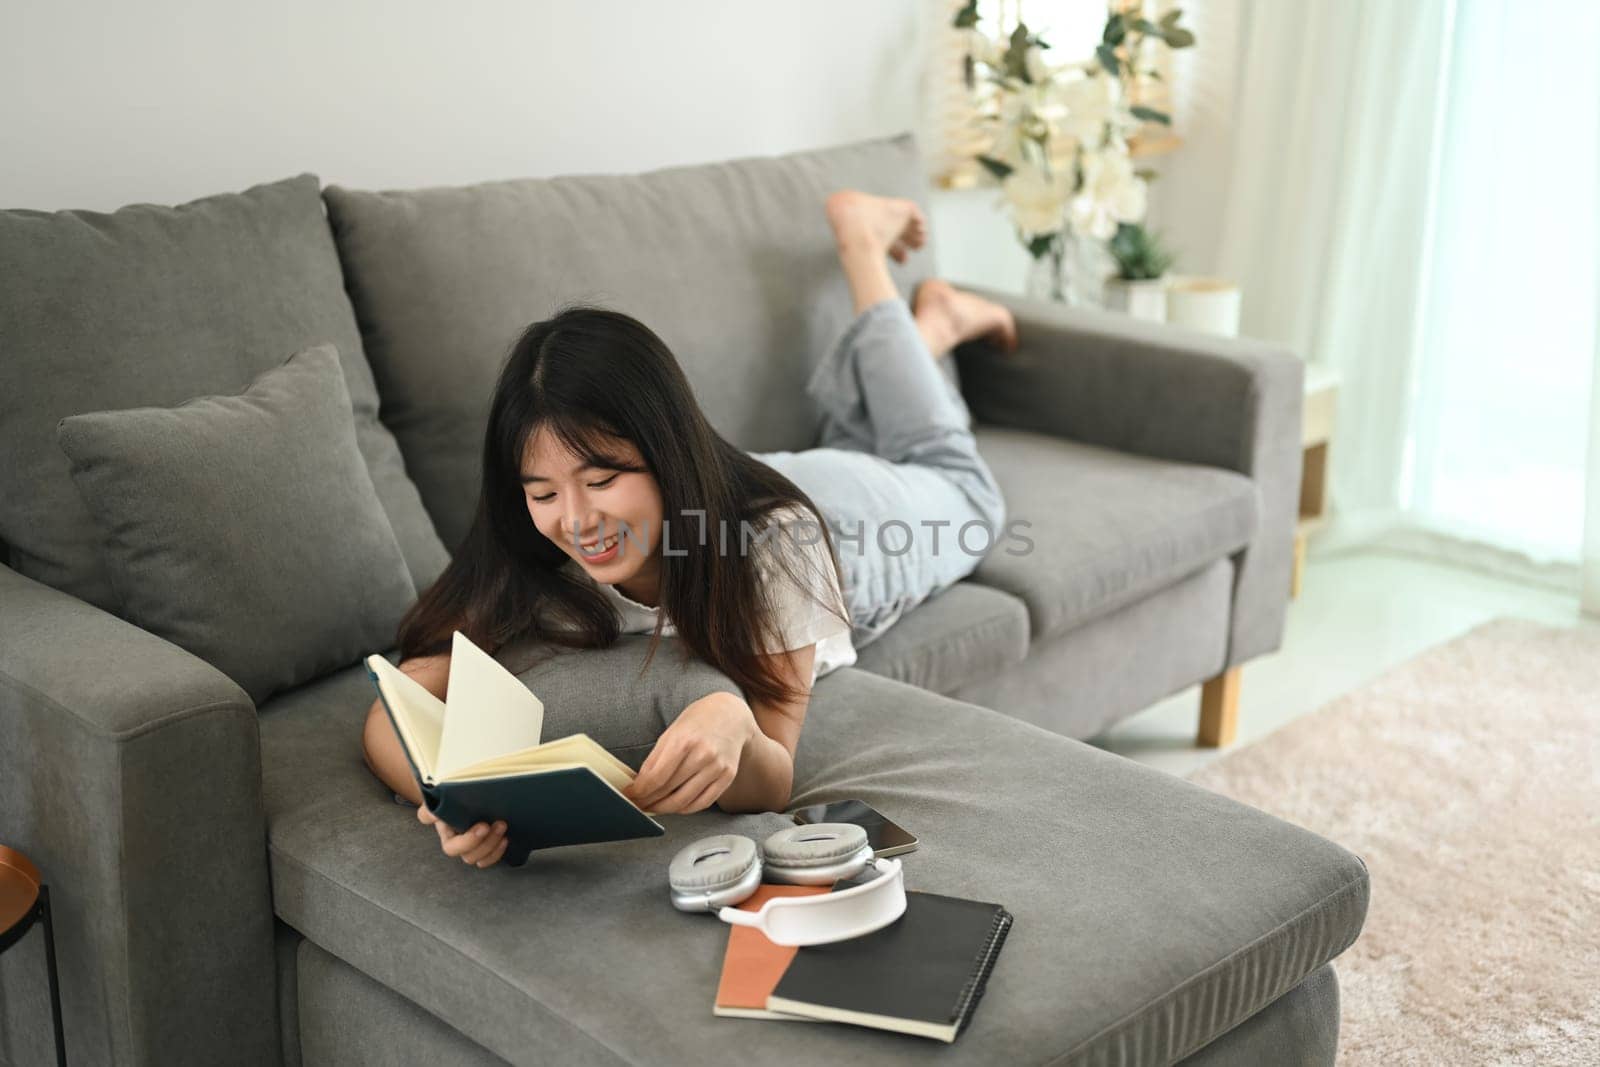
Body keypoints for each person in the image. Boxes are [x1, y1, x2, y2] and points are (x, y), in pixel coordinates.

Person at [361, 189, 1018, 869]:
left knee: (964, 488)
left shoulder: (776, 553)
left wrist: (732, 721)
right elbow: (394, 709)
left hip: (845, 525)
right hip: (739, 481)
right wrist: (452, 800)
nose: (577, 520)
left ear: (665, 451)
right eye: (543, 490)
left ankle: (870, 258)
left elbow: (773, 769)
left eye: (602, 478)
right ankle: (921, 343)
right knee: (860, 440)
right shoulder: (531, 551)